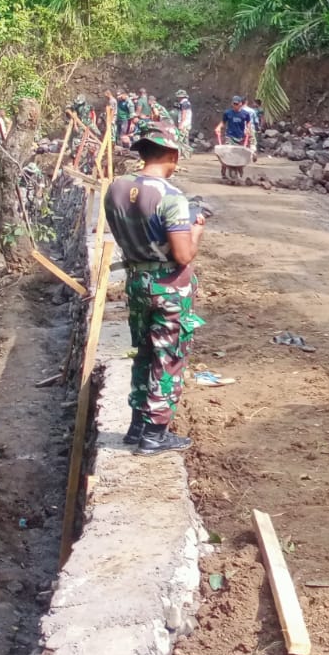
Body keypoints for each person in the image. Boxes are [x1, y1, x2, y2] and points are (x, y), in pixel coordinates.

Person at [105, 121, 205, 455]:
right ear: (172, 154)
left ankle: (136, 426)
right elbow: (183, 254)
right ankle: (155, 433)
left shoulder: (116, 188)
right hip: (168, 288)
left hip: (135, 280)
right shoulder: (171, 196)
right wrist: (196, 229)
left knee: (144, 352)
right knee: (169, 356)